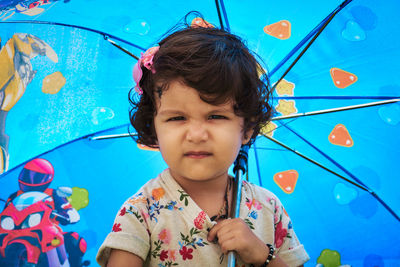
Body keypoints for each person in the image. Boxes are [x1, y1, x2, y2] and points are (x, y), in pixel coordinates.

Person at [97, 21, 309, 267]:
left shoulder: (268, 208)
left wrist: (262, 254)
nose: (196, 135)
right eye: (177, 118)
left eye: (216, 116)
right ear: (154, 128)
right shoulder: (141, 212)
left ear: (247, 129)